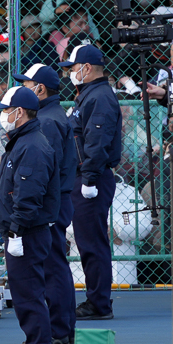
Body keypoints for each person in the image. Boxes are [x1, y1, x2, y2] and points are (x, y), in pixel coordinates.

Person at [0, 85, 59, 344]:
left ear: (19, 112)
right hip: (23, 232)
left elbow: (28, 194)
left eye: (6, 111)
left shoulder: (31, 145)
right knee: (27, 298)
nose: (3, 116)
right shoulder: (23, 142)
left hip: (27, 234)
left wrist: (17, 230)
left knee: (29, 298)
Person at [18, 62, 76, 344]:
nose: (23, 89)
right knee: (53, 264)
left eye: (27, 85)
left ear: (39, 88)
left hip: (51, 203)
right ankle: (60, 328)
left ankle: (60, 330)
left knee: (52, 266)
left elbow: (44, 169)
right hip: (56, 199)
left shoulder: (48, 121)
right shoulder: (51, 115)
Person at [65, 43, 121, 320]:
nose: (70, 73)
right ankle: (97, 300)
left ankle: (99, 303)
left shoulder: (98, 97)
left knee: (91, 242)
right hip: (88, 175)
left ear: (86, 68)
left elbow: (96, 143)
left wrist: (88, 179)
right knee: (89, 241)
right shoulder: (90, 95)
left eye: (73, 68)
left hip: (92, 177)